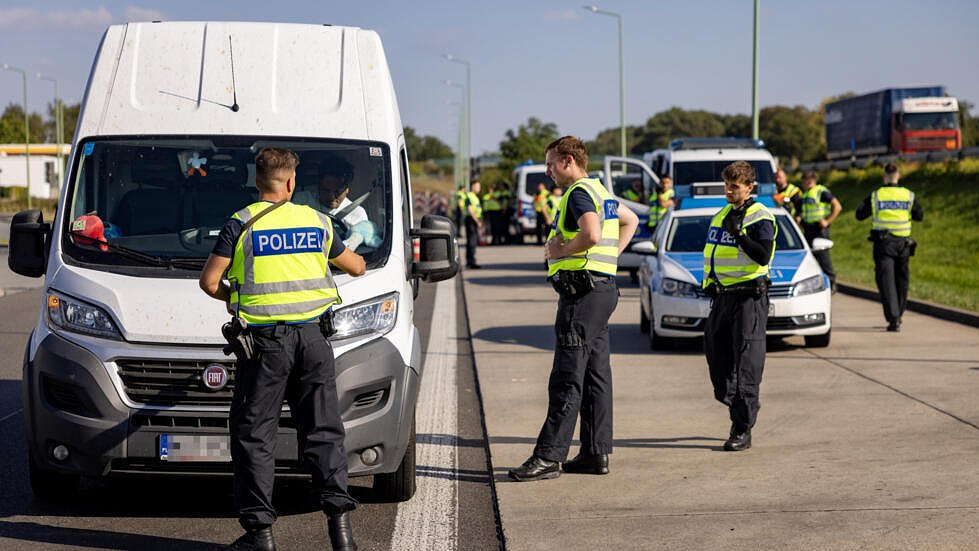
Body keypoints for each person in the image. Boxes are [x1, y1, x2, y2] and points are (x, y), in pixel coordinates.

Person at [199, 148, 365, 551]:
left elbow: (209, 281)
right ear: (291, 183)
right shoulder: (317, 221)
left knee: (256, 436)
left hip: (265, 347)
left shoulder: (240, 223)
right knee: (324, 432)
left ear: (257, 184)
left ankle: (261, 536)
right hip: (313, 341)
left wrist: (233, 297)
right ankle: (340, 533)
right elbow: (357, 266)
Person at [508, 136, 638, 482]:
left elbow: (592, 234)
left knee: (567, 375)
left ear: (568, 161)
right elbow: (632, 220)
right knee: (596, 374)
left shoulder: (579, 193)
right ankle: (595, 453)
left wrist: (562, 251)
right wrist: (609, 262)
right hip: (602, 290)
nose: (548, 171)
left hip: (582, 295)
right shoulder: (601, 192)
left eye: (551, 163)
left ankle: (549, 457)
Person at [702, 160, 777, 452]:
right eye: (727, 185)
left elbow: (762, 255)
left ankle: (742, 428)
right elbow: (712, 253)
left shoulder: (761, 215)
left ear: (749, 187)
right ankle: (741, 403)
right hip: (722, 298)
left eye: (735, 186)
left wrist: (740, 234)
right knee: (718, 363)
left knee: (747, 363)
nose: (729, 191)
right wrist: (708, 281)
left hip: (749, 299)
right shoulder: (721, 214)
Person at [855, 163, 924, 332]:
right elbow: (919, 215)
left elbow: (859, 215)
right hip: (903, 245)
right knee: (902, 280)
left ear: (884, 176)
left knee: (886, 282)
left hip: (884, 244)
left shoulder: (876, 195)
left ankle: (894, 319)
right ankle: (899, 314)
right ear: (898, 176)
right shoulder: (908, 195)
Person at [792, 171, 841, 291]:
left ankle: (832, 283)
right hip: (808, 229)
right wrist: (800, 218)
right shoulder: (807, 194)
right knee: (811, 259)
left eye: (803, 182)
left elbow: (837, 206)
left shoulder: (821, 191)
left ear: (809, 181)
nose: (802, 185)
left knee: (824, 259)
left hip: (819, 230)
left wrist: (827, 221)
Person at [317, 159, 373, 252]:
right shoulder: (302, 202)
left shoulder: (357, 213)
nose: (331, 197)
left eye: (337, 191)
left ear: (347, 189)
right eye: (326, 190)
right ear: (318, 186)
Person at [463, 180, 484, 269]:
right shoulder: (469, 196)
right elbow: (470, 209)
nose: (479, 188)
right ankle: (471, 262)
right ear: (473, 186)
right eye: (478, 186)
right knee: (472, 241)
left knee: (473, 241)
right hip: (471, 220)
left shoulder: (475, 197)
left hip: (474, 220)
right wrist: (477, 221)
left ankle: (470, 261)